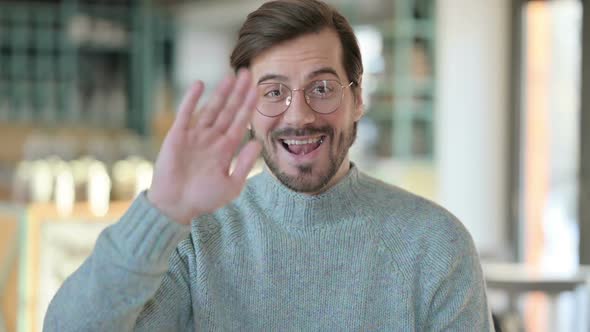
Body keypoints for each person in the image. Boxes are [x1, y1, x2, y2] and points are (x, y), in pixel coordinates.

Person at [44, 0, 494, 330]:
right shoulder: (197, 239)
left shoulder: (436, 245)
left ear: (357, 98)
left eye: (322, 87)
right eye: (273, 92)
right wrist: (161, 210)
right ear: (247, 108)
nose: (298, 116)